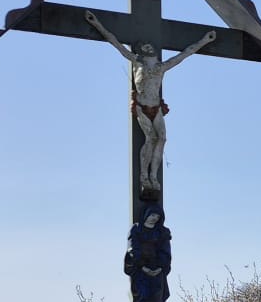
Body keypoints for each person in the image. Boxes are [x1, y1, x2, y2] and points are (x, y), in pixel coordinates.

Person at [84, 10, 217, 199]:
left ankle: (154, 176)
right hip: (142, 107)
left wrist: (205, 40)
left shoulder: (162, 67)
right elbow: (115, 42)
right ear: (141, 50)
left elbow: (185, 53)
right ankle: (144, 177)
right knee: (150, 138)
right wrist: (97, 24)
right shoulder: (137, 62)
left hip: (156, 108)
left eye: (149, 45)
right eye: (145, 46)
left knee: (161, 139)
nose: (149, 46)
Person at [124, 206, 172, 302]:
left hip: (157, 273)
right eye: (152, 215)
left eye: (157, 217)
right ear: (146, 215)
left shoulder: (162, 232)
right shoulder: (137, 229)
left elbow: (165, 251)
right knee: (141, 300)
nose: (154, 219)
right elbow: (133, 249)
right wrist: (142, 266)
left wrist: (159, 267)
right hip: (140, 272)